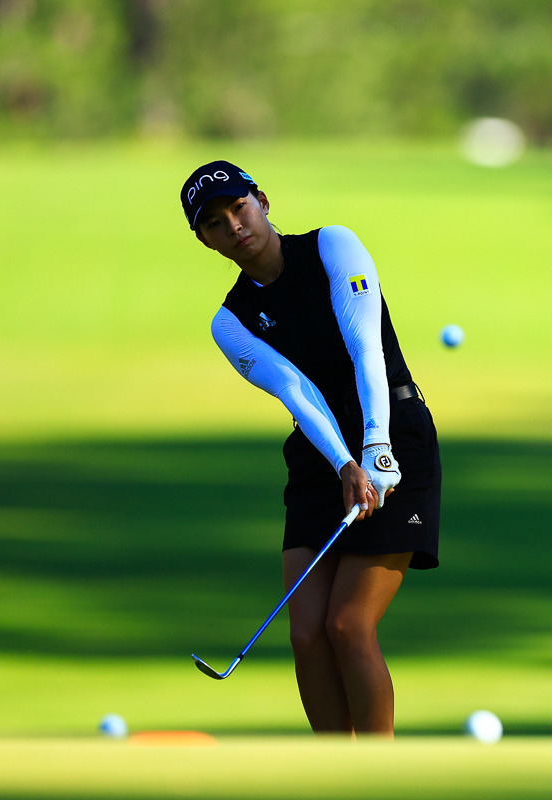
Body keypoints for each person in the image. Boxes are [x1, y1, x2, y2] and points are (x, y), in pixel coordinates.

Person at [180, 160, 441, 738]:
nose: (235, 226)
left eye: (239, 208)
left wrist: (375, 445)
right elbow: (299, 394)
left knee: (349, 624)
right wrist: (346, 462)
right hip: (322, 457)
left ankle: (377, 775)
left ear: (262, 200)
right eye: (216, 224)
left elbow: (364, 349)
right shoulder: (231, 323)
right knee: (306, 634)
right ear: (205, 240)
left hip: (395, 432)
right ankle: (331, 772)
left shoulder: (333, 247)